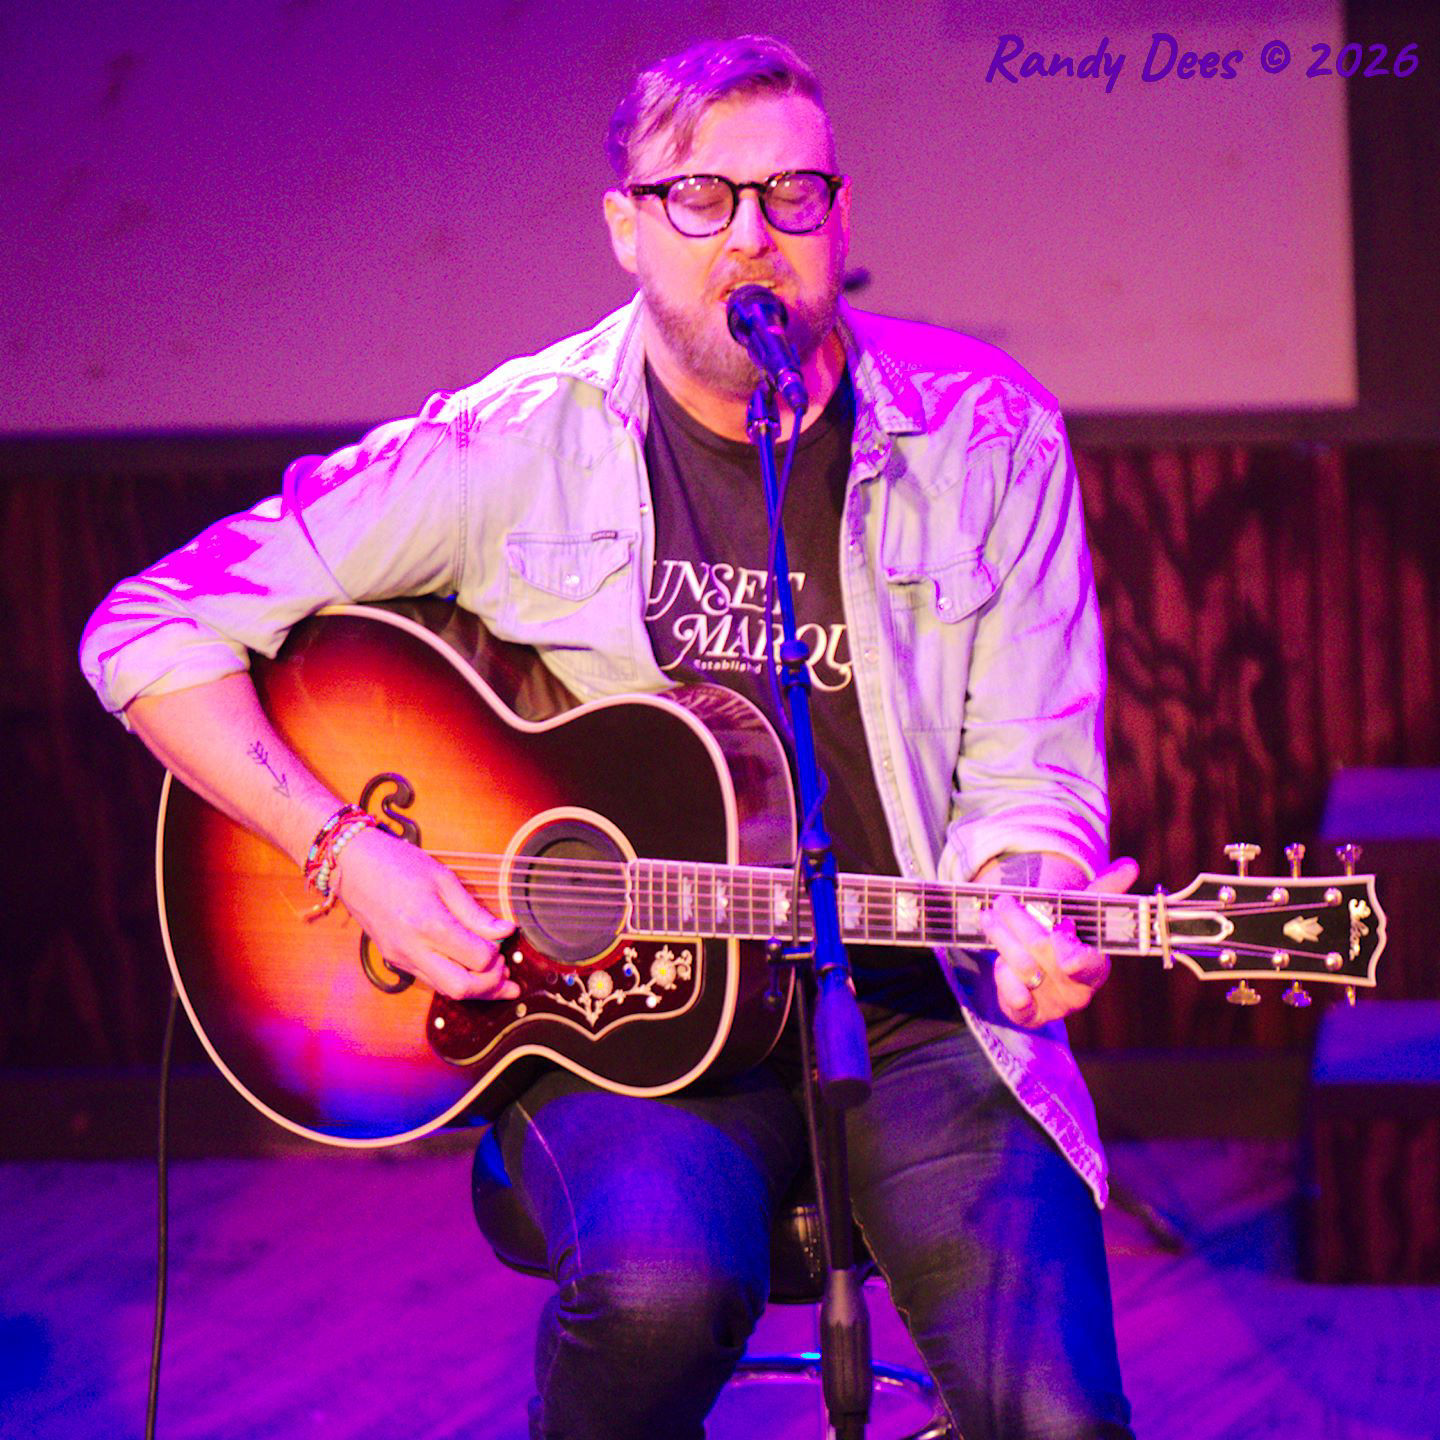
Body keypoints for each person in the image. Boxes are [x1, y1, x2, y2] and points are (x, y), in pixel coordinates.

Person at [82, 35, 1136, 1440]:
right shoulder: (512, 442)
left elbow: (1032, 777)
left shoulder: (988, 437)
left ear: (841, 217)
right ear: (626, 229)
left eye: (793, 196)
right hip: (617, 1033)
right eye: (699, 200)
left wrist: (1031, 902)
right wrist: (346, 847)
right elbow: (147, 628)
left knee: (1059, 1420)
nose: (751, 239)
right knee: (653, 1293)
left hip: (926, 1014)